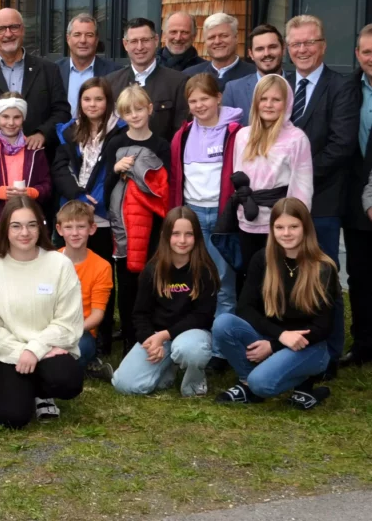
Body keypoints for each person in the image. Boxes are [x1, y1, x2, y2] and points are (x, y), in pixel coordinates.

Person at [213, 198, 339, 409]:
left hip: (309, 346)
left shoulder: (323, 267)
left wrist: (274, 346)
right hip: (272, 337)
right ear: (272, 229)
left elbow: (324, 327)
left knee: (261, 383)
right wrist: (278, 337)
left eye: (293, 227)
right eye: (279, 227)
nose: (286, 233)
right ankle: (247, 382)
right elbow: (245, 308)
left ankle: (304, 382)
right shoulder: (262, 259)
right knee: (223, 323)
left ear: (306, 228)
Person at [0, 197, 83, 429]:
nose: (25, 232)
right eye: (16, 226)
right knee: (11, 418)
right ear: (5, 228)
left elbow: (68, 322)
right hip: (8, 353)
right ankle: (25, 388)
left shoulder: (59, 264)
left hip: (48, 350)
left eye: (32, 224)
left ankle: (43, 392)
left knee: (68, 380)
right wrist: (23, 352)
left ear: (41, 226)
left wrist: (35, 349)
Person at [112, 207, 218, 396]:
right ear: (166, 235)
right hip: (158, 337)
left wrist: (165, 335)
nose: (182, 240)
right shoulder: (152, 270)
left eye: (189, 234)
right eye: (176, 234)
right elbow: (140, 313)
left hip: (191, 335)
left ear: (197, 237)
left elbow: (202, 316)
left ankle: (194, 379)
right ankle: (168, 369)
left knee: (188, 350)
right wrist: (149, 341)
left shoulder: (205, 271)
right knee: (124, 384)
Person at [52, 77, 123, 353]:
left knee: (102, 274)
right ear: (80, 103)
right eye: (87, 99)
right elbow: (60, 168)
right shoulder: (70, 132)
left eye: (99, 99)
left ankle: (102, 336)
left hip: (103, 216)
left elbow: (116, 173)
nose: (92, 104)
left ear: (108, 102)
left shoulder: (119, 131)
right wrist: (79, 196)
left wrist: (97, 202)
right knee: (66, 272)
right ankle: (63, 323)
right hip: (73, 213)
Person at [170, 74, 243, 339]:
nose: (200, 105)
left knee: (223, 282)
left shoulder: (234, 133)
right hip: (193, 216)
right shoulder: (184, 134)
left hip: (223, 216)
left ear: (218, 98)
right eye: (193, 100)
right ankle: (195, 336)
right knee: (193, 279)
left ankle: (221, 347)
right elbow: (178, 178)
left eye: (205, 98)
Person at [283, 15, 357, 275]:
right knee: (287, 276)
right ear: (288, 49)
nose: (302, 50)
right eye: (295, 44)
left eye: (309, 42)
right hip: (282, 201)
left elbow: (342, 145)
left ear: (323, 45)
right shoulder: (282, 85)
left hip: (323, 201)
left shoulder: (342, 86)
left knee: (322, 278)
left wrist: (298, 177)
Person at [103, 85, 171, 354]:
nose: (135, 114)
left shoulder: (161, 145)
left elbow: (165, 186)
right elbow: (106, 188)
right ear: (121, 114)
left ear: (150, 109)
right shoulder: (116, 143)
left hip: (152, 224)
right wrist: (116, 170)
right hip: (123, 227)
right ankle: (130, 337)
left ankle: (150, 334)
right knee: (127, 283)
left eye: (139, 109)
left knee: (150, 279)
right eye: (128, 111)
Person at [228, 74, 312, 288]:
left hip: (278, 224)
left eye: (276, 100)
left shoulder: (296, 139)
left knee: (278, 279)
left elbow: (302, 187)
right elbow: (238, 175)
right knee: (251, 277)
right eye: (263, 99)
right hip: (248, 219)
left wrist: (293, 225)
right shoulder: (243, 136)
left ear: (287, 103)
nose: (269, 104)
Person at [0, 8, 70, 154]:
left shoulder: (48, 70)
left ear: (23, 30)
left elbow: (62, 112)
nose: (8, 34)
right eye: (1, 29)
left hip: (37, 159)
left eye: (14, 27)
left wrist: (43, 134)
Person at [55, 200, 114, 381]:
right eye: (69, 227)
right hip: (52, 326)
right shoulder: (51, 261)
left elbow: (97, 314)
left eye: (81, 227)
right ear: (59, 230)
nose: (75, 233)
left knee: (74, 352)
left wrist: (74, 330)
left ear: (92, 229)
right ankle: (86, 368)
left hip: (82, 331)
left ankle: (83, 366)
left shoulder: (102, 267)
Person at [0, 92, 51, 244]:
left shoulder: (34, 148)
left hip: (27, 223)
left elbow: (47, 186)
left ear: (24, 118)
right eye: (5, 117)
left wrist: (33, 192)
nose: (11, 122)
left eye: (16, 117)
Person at [105, 17, 189, 141]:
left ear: (156, 40)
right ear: (125, 44)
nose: (140, 47)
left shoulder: (178, 82)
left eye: (145, 40)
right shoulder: (110, 83)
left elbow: (181, 133)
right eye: (134, 41)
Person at [343, 23, 372, 367]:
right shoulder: (348, 89)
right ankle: (364, 342)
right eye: (366, 52)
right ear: (357, 54)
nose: (371, 58)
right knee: (360, 274)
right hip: (353, 197)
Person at [222, 24, 285, 125]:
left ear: (283, 49)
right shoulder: (233, 90)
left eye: (272, 47)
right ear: (251, 54)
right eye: (260, 49)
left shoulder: (297, 86)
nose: (266, 53)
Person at [57, 13, 119, 113]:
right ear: (68, 39)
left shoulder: (114, 72)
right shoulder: (54, 71)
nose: (83, 40)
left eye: (89, 35)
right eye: (77, 35)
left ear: (97, 39)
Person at [184, 13, 255, 91]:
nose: (217, 41)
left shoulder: (254, 75)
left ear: (236, 37)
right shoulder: (189, 76)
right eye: (211, 37)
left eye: (223, 36)